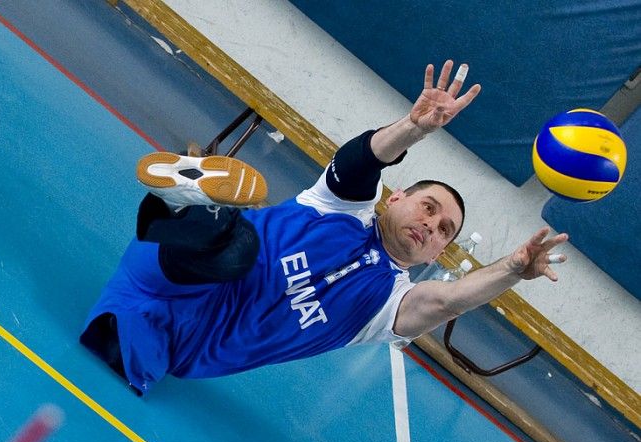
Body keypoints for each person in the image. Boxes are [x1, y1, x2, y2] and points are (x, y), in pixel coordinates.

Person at [80, 60, 568, 395]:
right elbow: (361, 159)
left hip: (178, 342)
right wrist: (414, 128)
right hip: (181, 265)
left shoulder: (390, 307)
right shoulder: (344, 207)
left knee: (113, 351)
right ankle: (189, 206)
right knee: (241, 249)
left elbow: (447, 301)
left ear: (437, 256)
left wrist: (512, 268)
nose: (430, 224)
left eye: (444, 230)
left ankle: (190, 204)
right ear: (396, 197)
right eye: (428, 206)